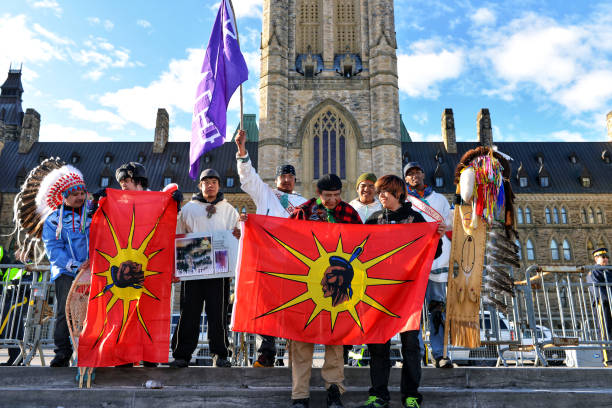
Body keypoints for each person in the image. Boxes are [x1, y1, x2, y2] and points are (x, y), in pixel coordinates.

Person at [359, 175, 444, 408]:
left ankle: (411, 395)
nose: (380, 196)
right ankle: (378, 395)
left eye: (385, 191)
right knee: (378, 345)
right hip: (379, 294)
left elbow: (433, 253)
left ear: (398, 192)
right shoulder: (374, 220)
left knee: (410, 345)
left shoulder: (414, 218)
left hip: (408, 293)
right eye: (379, 192)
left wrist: (436, 237)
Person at [288, 173, 362, 408]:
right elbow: (285, 238)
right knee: (301, 342)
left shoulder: (349, 212)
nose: (332, 200)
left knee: (335, 340)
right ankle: (300, 395)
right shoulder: (303, 211)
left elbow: (365, 242)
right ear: (318, 194)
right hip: (307, 285)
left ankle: (334, 391)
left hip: (337, 287)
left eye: (337, 195)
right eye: (328, 196)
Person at [235, 129, 307, 367]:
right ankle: (266, 354)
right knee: (267, 308)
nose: (286, 180)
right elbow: (248, 178)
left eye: (290, 176)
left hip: (294, 263)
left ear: (295, 180)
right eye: (282, 176)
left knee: (293, 308)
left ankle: (294, 355)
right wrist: (242, 151)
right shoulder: (266, 194)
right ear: (276, 180)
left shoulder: (303, 203)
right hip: (268, 259)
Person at [169, 169, 239, 368]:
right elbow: (178, 236)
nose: (210, 185)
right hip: (193, 270)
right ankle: (182, 354)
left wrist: (238, 232)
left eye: (214, 181)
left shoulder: (228, 209)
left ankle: (221, 354)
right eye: (206, 182)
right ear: (200, 186)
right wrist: (176, 267)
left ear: (219, 185)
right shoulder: (189, 209)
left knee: (218, 314)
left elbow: (238, 236)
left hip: (219, 271)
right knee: (189, 312)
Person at [39, 165, 90, 367]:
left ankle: (88, 350)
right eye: (74, 194)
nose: (79, 197)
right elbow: (53, 250)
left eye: (82, 193)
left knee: (91, 311)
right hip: (67, 272)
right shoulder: (53, 220)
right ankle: (62, 352)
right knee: (65, 311)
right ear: (64, 196)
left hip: (92, 270)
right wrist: (75, 265)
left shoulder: (93, 215)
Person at [404, 161, 453, 369]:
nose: (414, 176)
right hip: (412, 264)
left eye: (417, 172)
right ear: (406, 179)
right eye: (410, 174)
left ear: (424, 174)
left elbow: (451, 223)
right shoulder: (403, 200)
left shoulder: (439, 199)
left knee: (437, 309)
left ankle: (439, 353)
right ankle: (416, 354)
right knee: (412, 312)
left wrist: (445, 226)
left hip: (436, 262)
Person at [587, 247, 612, 366]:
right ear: (596, 258)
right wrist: (608, 299)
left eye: (607, 257)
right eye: (603, 257)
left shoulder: (609, 271)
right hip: (603, 305)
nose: (606, 259)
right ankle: (608, 359)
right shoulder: (594, 272)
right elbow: (597, 290)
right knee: (606, 332)